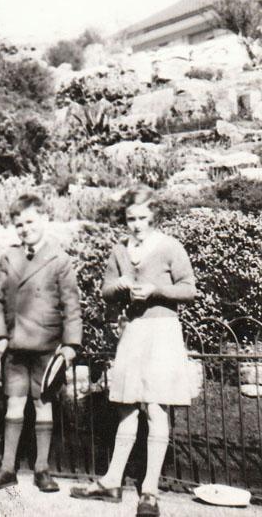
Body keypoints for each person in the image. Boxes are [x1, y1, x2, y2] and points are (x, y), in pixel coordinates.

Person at [70, 185, 196, 517]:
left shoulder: (169, 246)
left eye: (142, 217)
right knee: (126, 408)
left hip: (162, 330)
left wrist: (156, 290)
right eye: (130, 218)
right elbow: (106, 290)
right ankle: (112, 481)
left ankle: (150, 491)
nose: (136, 224)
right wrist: (121, 285)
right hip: (134, 331)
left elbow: (189, 289)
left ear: (153, 216)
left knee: (156, 408)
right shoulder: (120, 250)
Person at [0, 193, 82, 493]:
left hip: (47, 344)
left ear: (44, 220)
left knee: (43, 403)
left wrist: (71, 345)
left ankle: (42, 469)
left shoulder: (59, 259)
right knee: (14, 402)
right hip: (15, 345)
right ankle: (8, 467)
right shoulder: (8, 258)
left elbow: (71, 305)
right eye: (19, 224)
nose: (25, 229)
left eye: (30, 222)